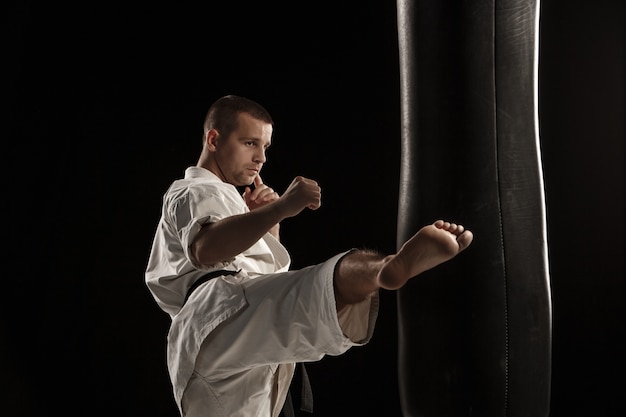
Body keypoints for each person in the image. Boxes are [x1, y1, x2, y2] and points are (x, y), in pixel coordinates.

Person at [145, 94, 473, 417]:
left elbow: (263, 274)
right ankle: (385, 267)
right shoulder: (194, 189)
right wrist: (281, 207)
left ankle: (385, 270)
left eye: (265, 147)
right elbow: (207, 250)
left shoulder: (232, 204)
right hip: (215, 313)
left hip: (234, 334)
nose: (261, 158)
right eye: (249, 143)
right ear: (214, 139)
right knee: (312, 291)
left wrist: (266, 223)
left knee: (309, 300)